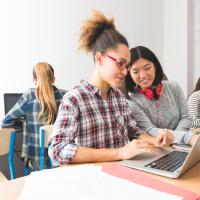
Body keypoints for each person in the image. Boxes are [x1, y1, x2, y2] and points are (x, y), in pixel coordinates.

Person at [48, 10, 173, 166]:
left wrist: (156, 140)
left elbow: (133, 132)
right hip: (92, 180)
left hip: (123, 173)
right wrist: (119, 153)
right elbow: (58, 150)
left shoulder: (119, 97)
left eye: (127, 66)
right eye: (120, 63)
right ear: (99, 58)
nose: (125, 72)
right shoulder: (74, 99)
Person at [122, 46, 198, 145]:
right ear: (129, 74)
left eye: (147, 68)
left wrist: (177, 140)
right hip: (159, 146)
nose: (143, 75)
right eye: (136, 72)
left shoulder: (174, 86)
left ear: (155, 66)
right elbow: (150, 130)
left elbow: (186, 117)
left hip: (183, 144)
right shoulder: (131, 101)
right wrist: (186, 138)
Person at [1, 62, 66, 171]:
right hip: (60, 161)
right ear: (53, 79)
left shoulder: (29, 96)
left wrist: (26, 124)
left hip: (36, 162)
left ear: (34, 80)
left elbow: (5, 122)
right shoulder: (65, 96)